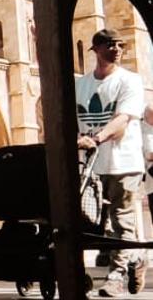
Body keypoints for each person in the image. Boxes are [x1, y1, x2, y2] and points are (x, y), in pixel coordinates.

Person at [76, 28, 146, 297]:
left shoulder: (130, 80)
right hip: (91, 167)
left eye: (120, 44)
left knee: (121, 220)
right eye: (109, 44)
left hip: (124, 162)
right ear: (95, 50)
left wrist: (97, 137)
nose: (116, 48)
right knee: (94, 224)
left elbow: (122, 120)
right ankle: (137, 258)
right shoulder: (80, 84)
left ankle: (116, 275)